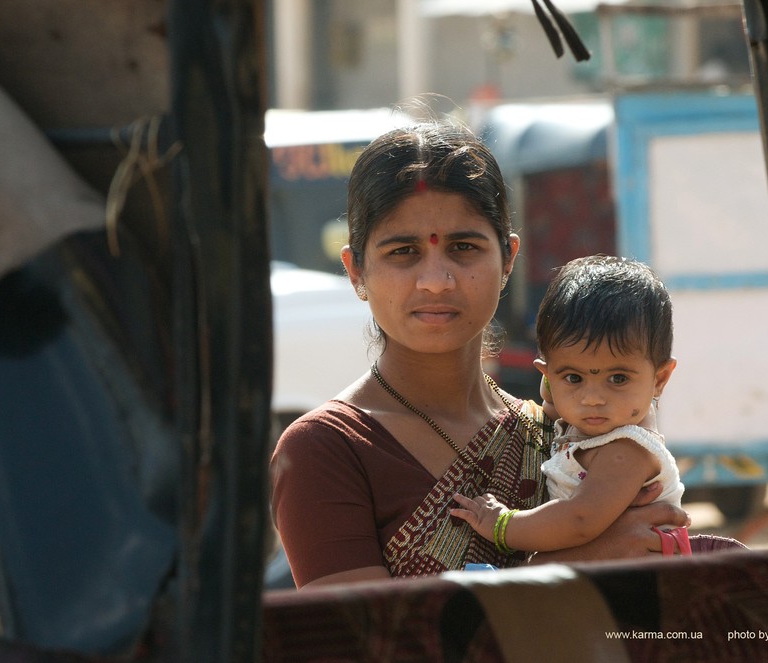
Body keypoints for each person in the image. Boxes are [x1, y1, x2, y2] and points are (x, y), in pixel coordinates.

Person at [269, 121, 689, 590]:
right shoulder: (327, 451)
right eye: (403, 251)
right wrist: (583, 561)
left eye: (463, 247)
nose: (436, 280)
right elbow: (372, 644)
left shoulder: (566, 431)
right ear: (356, 272)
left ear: (508, 259)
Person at [451, 256, 691, 557]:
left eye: (617, 378)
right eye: (574, 377)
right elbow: (553, 409)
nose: (592, 398)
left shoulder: (627, 448)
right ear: (547, 376)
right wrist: (555, 389)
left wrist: (501, 524)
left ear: (660, 379)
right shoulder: (597, 421)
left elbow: (580, 520)